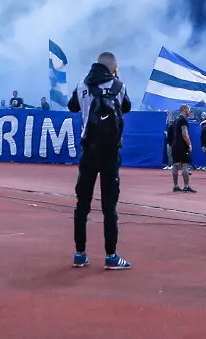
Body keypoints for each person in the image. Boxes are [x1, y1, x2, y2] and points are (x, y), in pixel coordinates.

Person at [68, 51, 132, 270]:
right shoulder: (119, 86)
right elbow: (126, 108)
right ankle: (111, 256)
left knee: (82, 205)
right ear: (113, 67)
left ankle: (80, 253)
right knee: (109, 207)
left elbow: (72, 107)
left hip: (88, 151)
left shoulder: (81, 86)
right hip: (111, 153)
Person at [168, 106, 195, 193]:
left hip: (175, 145)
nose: (189, 112)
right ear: (184, 110)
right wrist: (189, 144)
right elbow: (184, 133)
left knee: (175, 165)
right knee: (185, 165)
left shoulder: (176, 120)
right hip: (182, 146)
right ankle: (186, 186)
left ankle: (175, 186)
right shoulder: (183, 120)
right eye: (189, 110)